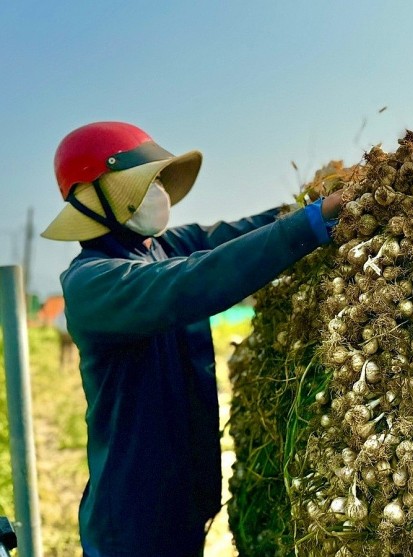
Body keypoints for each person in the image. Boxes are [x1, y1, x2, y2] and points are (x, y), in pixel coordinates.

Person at [41, 121, 342, 557]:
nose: (159, 191)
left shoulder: (159, 246)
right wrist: (307, 228)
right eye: (145, 182)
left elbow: (227, 238)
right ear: (96, 198)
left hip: (182, 503)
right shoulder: (93, 283)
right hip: (133, 521)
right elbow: (193, 280)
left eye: (159, 179)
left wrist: (306, 205)